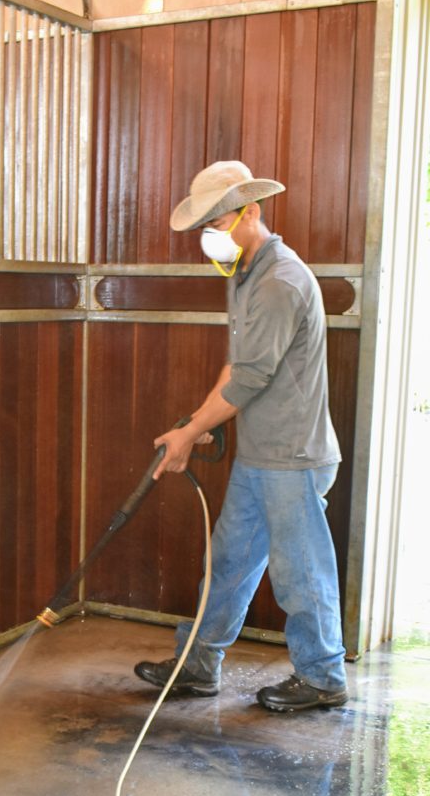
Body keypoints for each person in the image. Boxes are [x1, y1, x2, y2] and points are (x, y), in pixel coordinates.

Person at [134, 160, 348, 712]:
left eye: (217, 221)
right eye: (203, 226)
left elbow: (252, 377)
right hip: (262, 454)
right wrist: (197, 422)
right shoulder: (248, 274)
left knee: (300, 570)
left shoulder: (280, 280)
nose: (209, 236)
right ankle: (199, 664)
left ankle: (323, 676)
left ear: (251, 211)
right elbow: (238, 366)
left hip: (293, 455)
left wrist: (190, 435)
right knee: (229, 562)